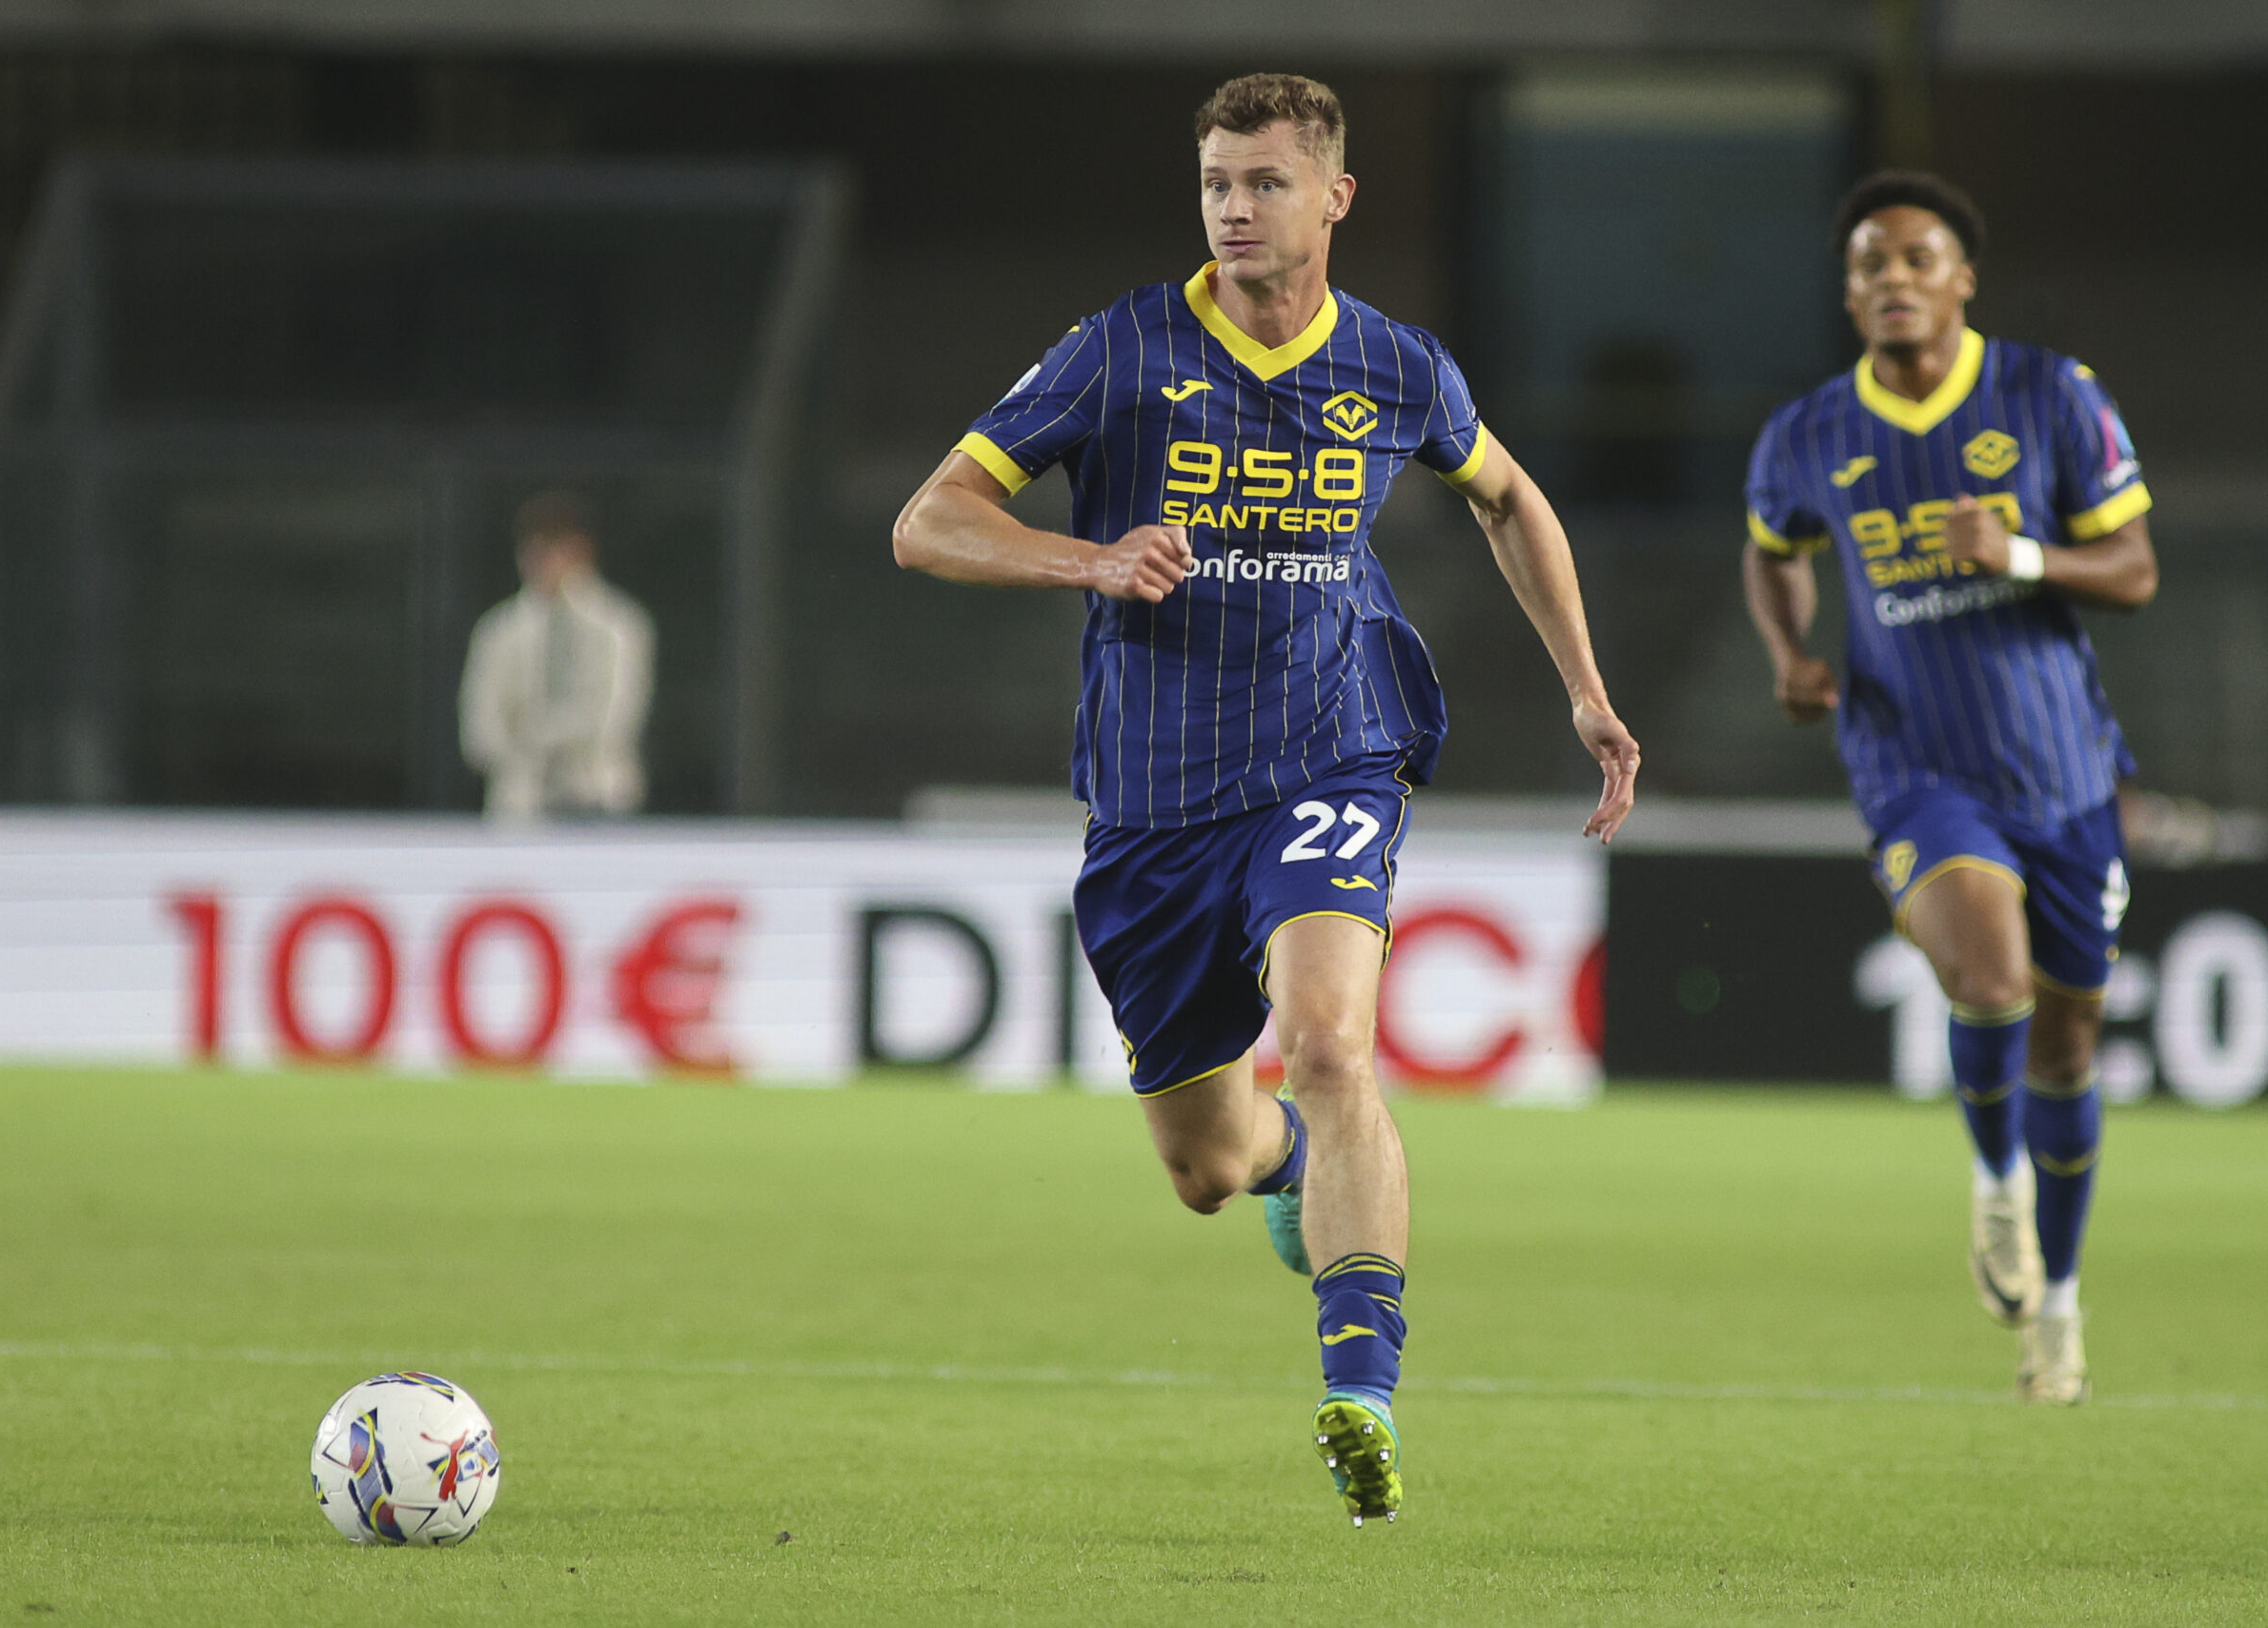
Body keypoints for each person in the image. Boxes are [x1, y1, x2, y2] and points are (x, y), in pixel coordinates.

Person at [892, 72, 1638, 1524]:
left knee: (1331, 1042)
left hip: (1331, 752)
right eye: (1218, 184)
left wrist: (1587, 690)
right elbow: (929, 523)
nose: (1237, 207)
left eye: (1267, 183)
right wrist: (1088, 557)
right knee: (1206, 1163)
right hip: (1154, 807)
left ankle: (1361, 1392)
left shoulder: (1397, 366)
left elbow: (1508, 497)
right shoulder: (1122, 351)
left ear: (1335, 198)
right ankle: (1288, 1165)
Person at [1741, 172, 2157, 1404]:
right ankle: (1995, 1186)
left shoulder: (2049, 394)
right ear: (1852, 292)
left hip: (2067, 771)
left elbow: (2134, 567)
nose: (1893, 282)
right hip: (1915, 764)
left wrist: (2023, 551)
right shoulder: (1809, 433)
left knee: (2068, 1049)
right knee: (1990, 977)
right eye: (1870, 265)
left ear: (1962, 279)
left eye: (1918, 259)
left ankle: (2061, 1315)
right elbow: (1772, 557)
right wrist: (1793, 657)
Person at [459, 490, 655, 823]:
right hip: (519, 806)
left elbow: (615, 721)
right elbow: (479, 732)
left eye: (554, 549)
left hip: (602, 801)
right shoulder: (499, 631)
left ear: (582, 552)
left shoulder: (619, 626)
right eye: (534, 550)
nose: (543, 562)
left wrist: (535, 731)